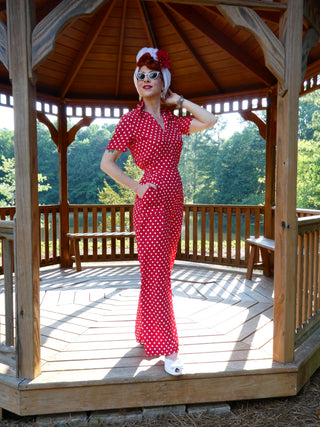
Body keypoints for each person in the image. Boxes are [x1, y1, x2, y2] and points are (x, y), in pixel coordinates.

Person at [100, 47, 218, 376]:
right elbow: (106, 163)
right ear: (135, 82)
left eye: (153, 74)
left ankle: (144, 332)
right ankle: (167, 347)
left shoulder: (172, 120)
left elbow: (210, 120)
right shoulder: (130, 121)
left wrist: (177, 100)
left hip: (173, 199)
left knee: (159, 272)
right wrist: (137, 188)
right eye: (140, 75)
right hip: (149, 200)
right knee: (156, 274)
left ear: (162, 80)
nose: (146, 80)